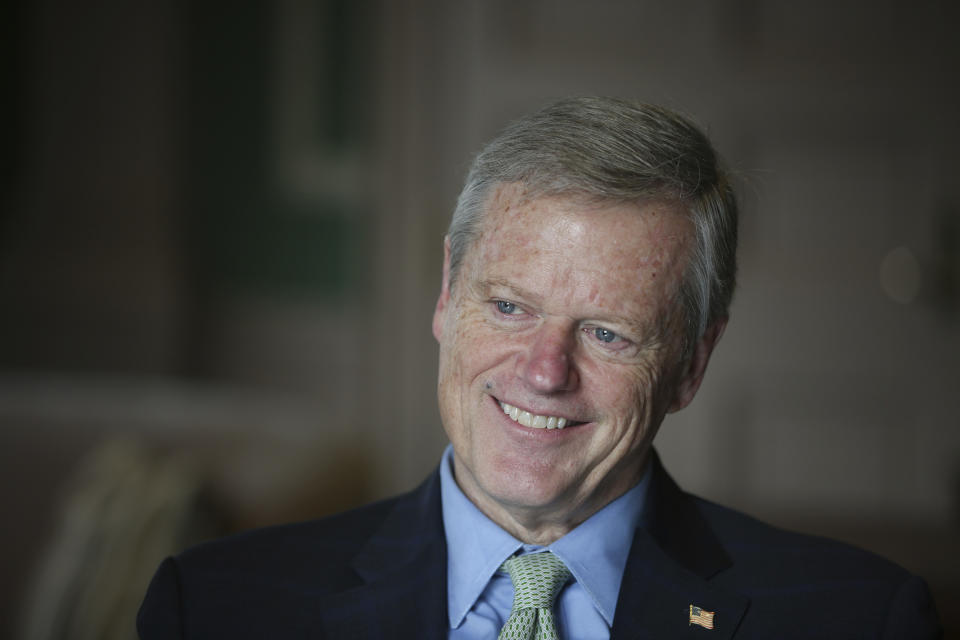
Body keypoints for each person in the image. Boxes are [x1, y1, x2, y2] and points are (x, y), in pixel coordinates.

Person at [137, 98, 941, 639]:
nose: (544, 371)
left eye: (607, 333)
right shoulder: (215, 607)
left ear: (693, 362)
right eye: (511, 307)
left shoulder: (863, 618)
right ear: (449, 296)